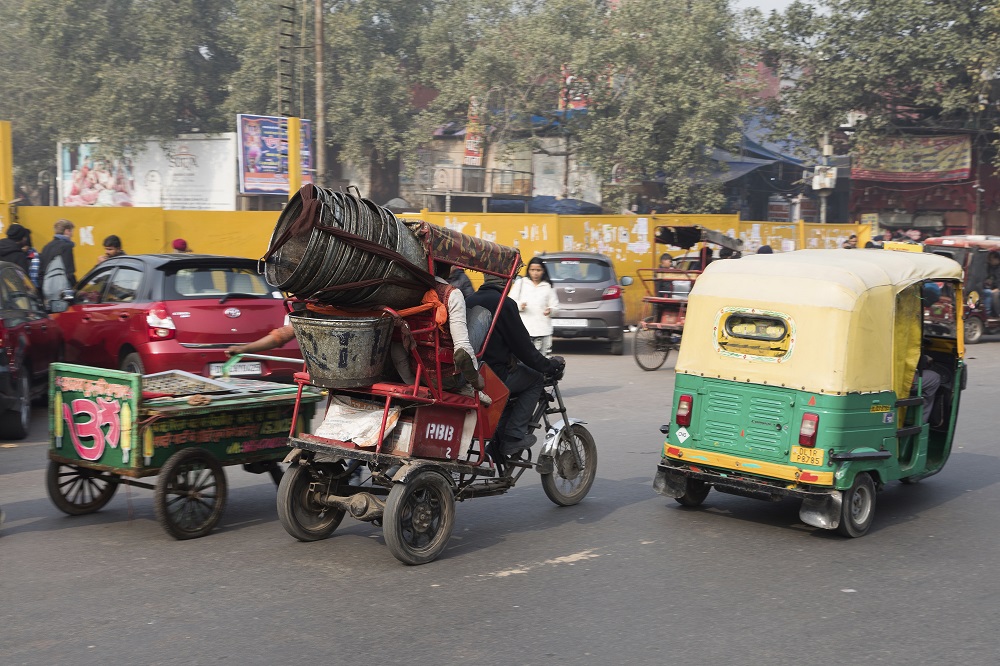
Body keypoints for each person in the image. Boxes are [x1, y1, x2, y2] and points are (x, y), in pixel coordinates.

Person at [466, 273, 564, 458]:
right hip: (491, 375)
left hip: (471, 371)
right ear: (507, 282)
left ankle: (498, 438)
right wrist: (549, 366)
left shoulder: (469, 299)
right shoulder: (504, 303)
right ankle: (513, 437)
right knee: (535, 379)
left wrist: (509, 354)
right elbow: (524, 347)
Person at [509, 257, 559, 356]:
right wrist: (520, 305)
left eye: (538, 270)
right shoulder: (521, 283)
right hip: (524, 330)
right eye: (532, 270)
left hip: (543, 330)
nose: (535, 273)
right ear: (528, 270)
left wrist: (550, 310)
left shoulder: (548, 286)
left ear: (543, 271)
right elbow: (510, 302)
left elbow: (556, 307)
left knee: (543, 359)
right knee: (524, 358)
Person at [40, 219, 76, 304]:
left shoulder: (46, 247)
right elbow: (69, 272)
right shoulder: (66, 247)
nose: (72, 235)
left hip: (48, 291)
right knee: (67, 312)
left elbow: (41, 271)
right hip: (63, 292)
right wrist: (75, 288)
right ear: (67, 231)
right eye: (72, 232)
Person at [981, 251, 1000, 317]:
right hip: (991, 287)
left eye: (991, 259)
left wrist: (997, 289)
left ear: (997, 259)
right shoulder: (989, 267)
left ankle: (997, 314)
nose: (989, 261)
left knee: (994, 294)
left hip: (997, 289)